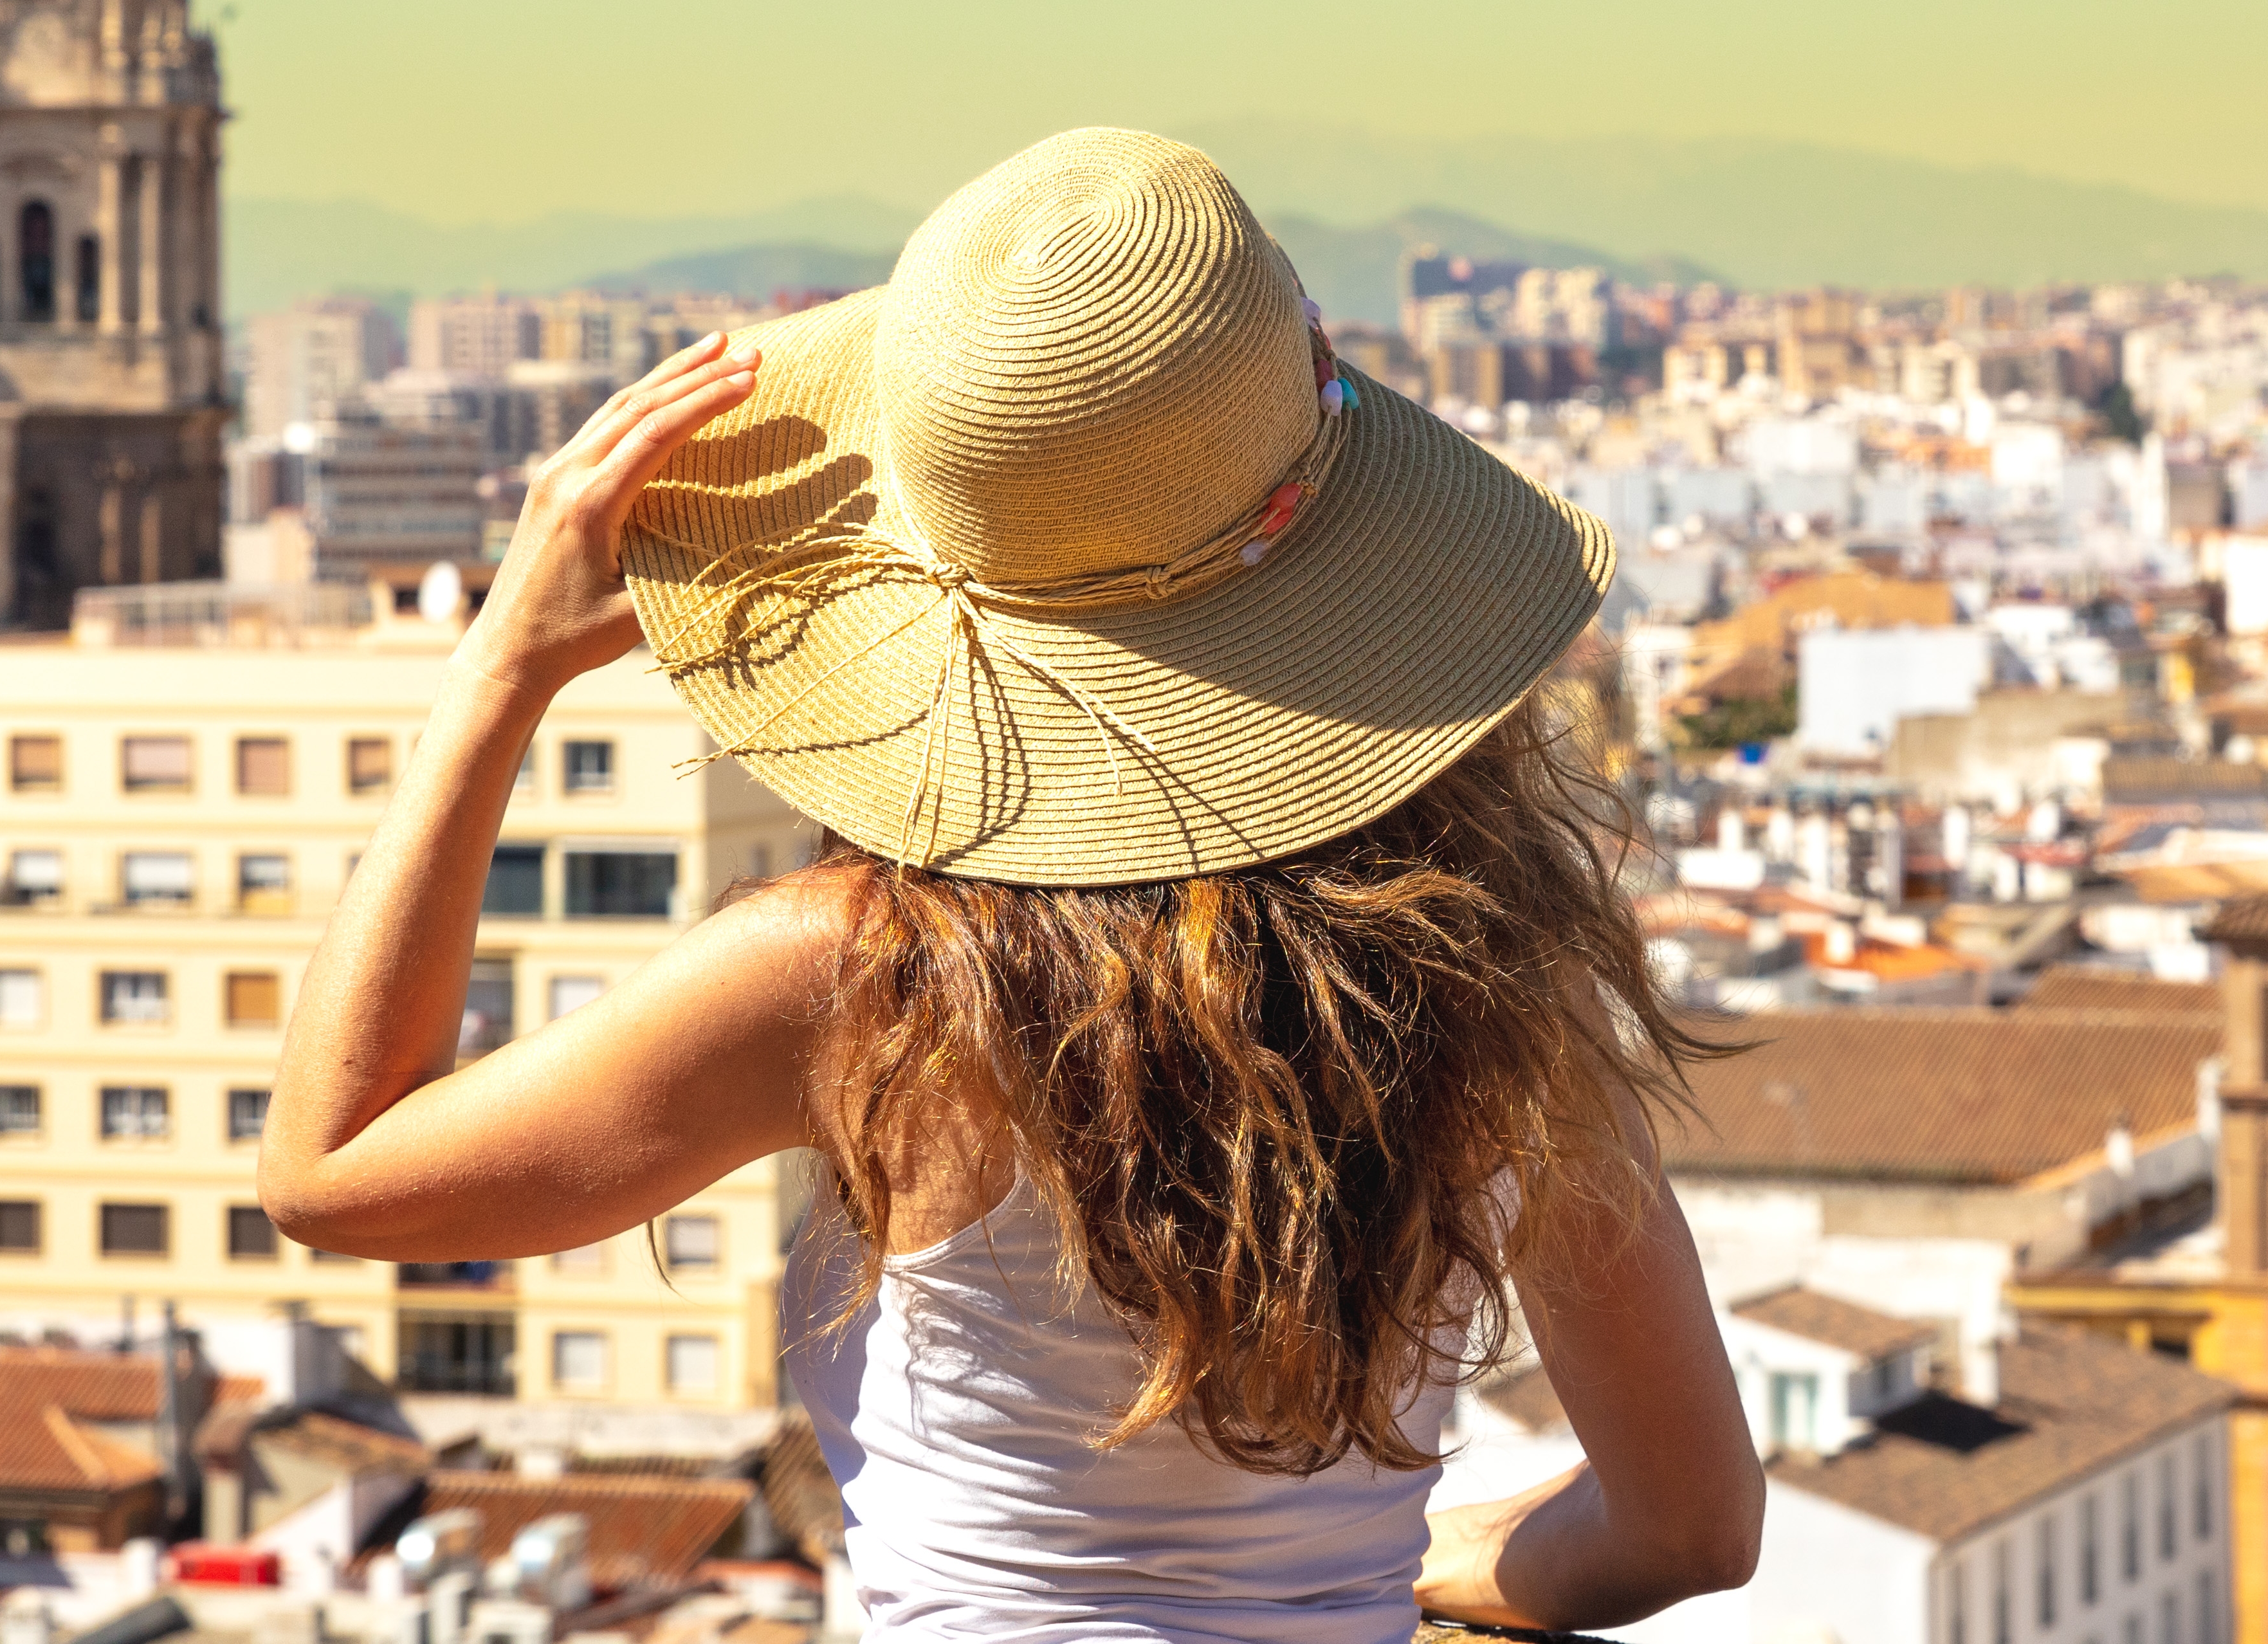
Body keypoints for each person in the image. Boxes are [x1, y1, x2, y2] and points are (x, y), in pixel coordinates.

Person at [266, 129, 1762, 1643]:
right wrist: (1404, 1567)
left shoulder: (868, 979)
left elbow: (334, 1169)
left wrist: (499, 667)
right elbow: (1690, 1525)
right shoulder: (1500, 976)